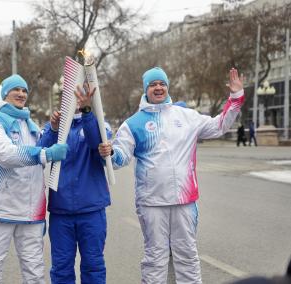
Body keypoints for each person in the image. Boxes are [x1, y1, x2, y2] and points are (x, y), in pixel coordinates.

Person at [98, 67, 245, 284]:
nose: (158, 87)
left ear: (167, 87)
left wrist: (235, 97)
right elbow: (120, 157)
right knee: (155, 258)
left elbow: (219, 125)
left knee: (187, 256)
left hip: (184, 201)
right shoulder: (134, 123)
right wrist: (109, 153)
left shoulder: (187, 117)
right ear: (146, 89)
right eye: (153, 84)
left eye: (162, 84)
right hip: (151, 202)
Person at [0, 74, 68, 284]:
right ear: (5, 94)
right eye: (15, 89)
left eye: (24, 90)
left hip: (31, 213)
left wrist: (52, 133)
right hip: (1, 211)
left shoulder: (30, 125)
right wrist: (45, 154)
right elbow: (7, 156)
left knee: (34, 274)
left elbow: (43, 146)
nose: (21, 94)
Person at [39, 84, 112, 284]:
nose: (76, 100)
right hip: (61, 212)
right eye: (71, 96)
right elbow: (39, 153)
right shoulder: (54, 127)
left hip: (91, 210)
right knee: (61, 268)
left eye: (81, 96)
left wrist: (88, 112)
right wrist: (53, 129)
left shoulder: (99, 125)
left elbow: (96, 145)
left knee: (93, 266)